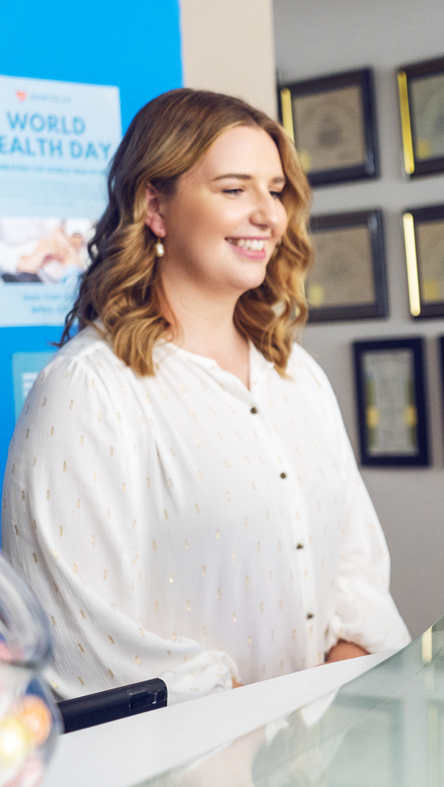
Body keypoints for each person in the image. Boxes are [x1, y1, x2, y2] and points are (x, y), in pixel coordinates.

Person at [0, 89, 410, 702]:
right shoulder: (90, 389)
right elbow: (79, 635)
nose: (268, 216)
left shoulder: (297, 374)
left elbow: (356, 568)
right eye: (234, 189)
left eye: (274, 191)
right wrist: (248, 729)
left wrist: (326, 710)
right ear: (155, 207)